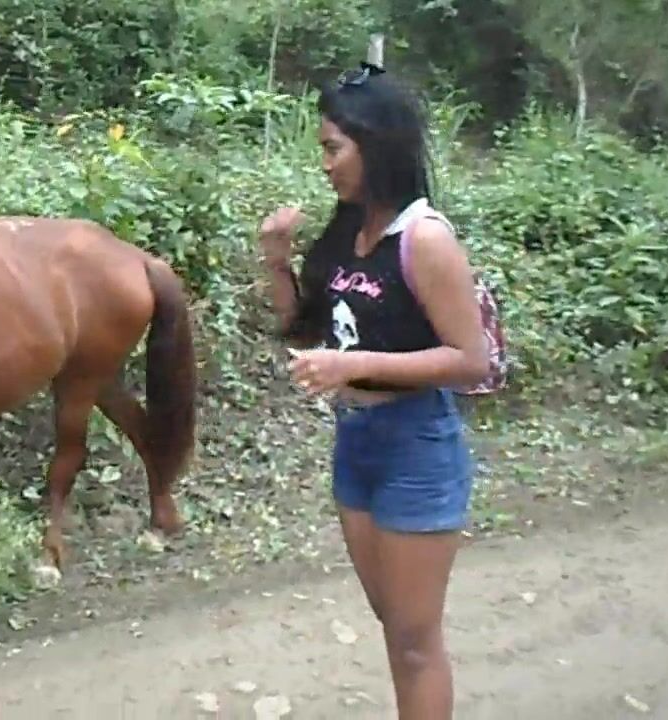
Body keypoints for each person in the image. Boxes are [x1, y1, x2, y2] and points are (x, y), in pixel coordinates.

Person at [257, 62, 490, 719]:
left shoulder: (425, 238)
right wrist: (276, 260)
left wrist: (354, 364)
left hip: (416, 448)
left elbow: (471, 360)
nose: (324, 164)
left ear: (375, 143)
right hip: (355, 445)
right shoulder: (348, 230)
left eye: (334, 148)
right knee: (395, 624)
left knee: (416, 644)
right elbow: (304, 327)